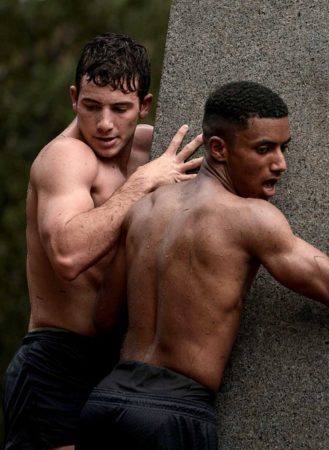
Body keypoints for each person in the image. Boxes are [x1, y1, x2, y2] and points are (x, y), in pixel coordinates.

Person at [75, 81, 329, 449]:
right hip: (171, 413)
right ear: (218, 148)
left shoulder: (144, 208)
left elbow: (104, 317)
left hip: (104, 405)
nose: (280, 163)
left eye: (283, 148)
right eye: (264, 149)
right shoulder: (252, 218)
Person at [3, 32, 202, 450]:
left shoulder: (152, 150)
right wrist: (141, 185)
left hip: (113, 367)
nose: (105, 123)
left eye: (120, 109)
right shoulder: (67, 157)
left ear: (143, 107)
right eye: (91, 107)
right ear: (75, 98)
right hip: (56, 362)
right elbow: (67, 253)